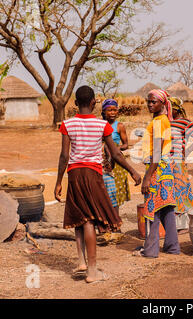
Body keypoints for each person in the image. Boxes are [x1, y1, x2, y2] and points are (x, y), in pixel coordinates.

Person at [54, 86, 141, 283]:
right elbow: (117, 153)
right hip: (93, 174)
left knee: (79, 216)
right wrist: (133, 171)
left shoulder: (67, 124)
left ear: (76, 103)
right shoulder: (103, 126)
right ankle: (92, 272)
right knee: (89, 220)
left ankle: (82, 261)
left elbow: (64, 156)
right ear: (94, 102)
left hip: (74, 174)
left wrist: (58, 182)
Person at [133, 89, 180, 258]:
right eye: (149, 101)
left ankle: (151, 250)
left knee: (152, 208)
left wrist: (147, 177)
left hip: (157, 168)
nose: (150, 104)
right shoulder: (162, 120)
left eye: (154, 102)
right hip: (164, 168)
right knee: (166, 207)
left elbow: (158, 151)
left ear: (162, 103)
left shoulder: (160, 122)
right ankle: (172, 247)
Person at [169, 96, 193, 234]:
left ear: (176, 109)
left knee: (180, 191)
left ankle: (183, 225)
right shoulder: (166, 122)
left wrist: (188, 151)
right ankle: (173, 223)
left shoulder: (184, 123)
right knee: (171, 191)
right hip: (166, 162)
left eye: (169, 107)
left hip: (178, 161)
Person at [101, 99, 131, 217]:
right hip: (102, 160)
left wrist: (116, 149)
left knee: (114, 192)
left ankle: (115, 220)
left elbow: (126, 144)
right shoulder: (100, 124)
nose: (112, 113)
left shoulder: (119, 126)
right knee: (103, 191)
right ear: (104, 111)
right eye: (109, 110)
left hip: (116, 162)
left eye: (114, 110)